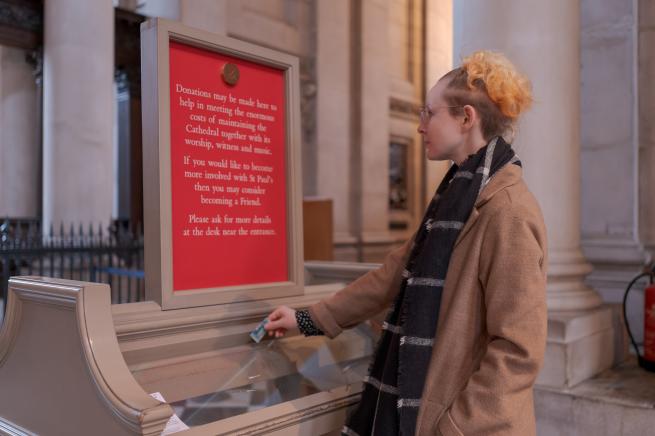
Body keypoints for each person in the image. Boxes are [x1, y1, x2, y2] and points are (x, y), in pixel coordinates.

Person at [265, 51, 548, 436]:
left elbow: (518, 350)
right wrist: (307, 318)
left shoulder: (508, 211)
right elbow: (389, 277)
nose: (419, 126)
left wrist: (454, 427)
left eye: (429, 113)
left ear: (467, 118)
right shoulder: (453, 199)